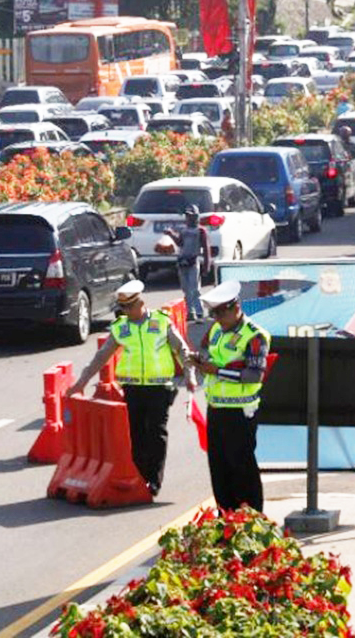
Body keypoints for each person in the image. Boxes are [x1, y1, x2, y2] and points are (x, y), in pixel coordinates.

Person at [67, 280, 196, 497]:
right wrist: (81, 382)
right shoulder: (121, 327)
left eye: (129, 307)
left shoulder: (161, 321)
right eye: (123, 308)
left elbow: (182, 350)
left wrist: (190, 375)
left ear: (140, 303)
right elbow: (101, 357)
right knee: (136, 434)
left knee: (156, 433)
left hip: (159, 388)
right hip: (133, 389)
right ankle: (140, 477)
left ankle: (153, 480)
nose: (126, 312)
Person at [193, 280, 271, 513]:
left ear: (236, 308)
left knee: (242, 469)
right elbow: (209, 353)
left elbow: (254, 375)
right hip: (216, 408)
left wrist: (217, 371)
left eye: (220, 313)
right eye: (213, 314)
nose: (217, 319)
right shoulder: (216, 330)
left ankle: (251, 518)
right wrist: (200, 361)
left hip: (240, 412)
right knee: (219, 469)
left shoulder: (255, 335)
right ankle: (225, 517)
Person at [164, 205, 212, 322]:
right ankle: (190, 311)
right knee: (186, 289)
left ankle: (199, 311)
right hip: (182, 261)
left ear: (196, 217)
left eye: (191, 216)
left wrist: (207, 265)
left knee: (194, 288)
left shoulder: (200, 231)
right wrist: (171, 234)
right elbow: (180, 243)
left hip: (193, 261)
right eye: (187, 216)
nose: (189, 218)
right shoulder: (183, 230)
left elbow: (206, 248)